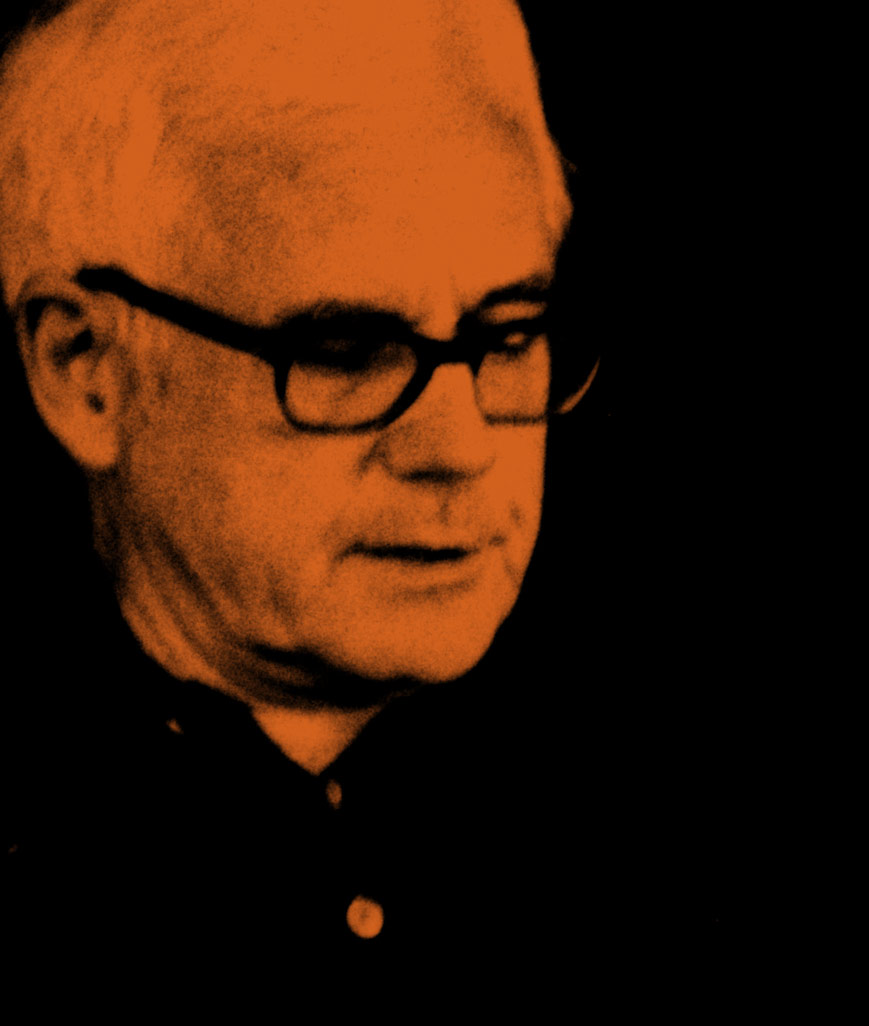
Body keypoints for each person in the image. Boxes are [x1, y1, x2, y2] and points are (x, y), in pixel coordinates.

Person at [0, 0, 764, 999]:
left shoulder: (698, 816)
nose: (461, 448)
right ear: (86, 369)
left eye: (506, 337)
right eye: (346, 353)